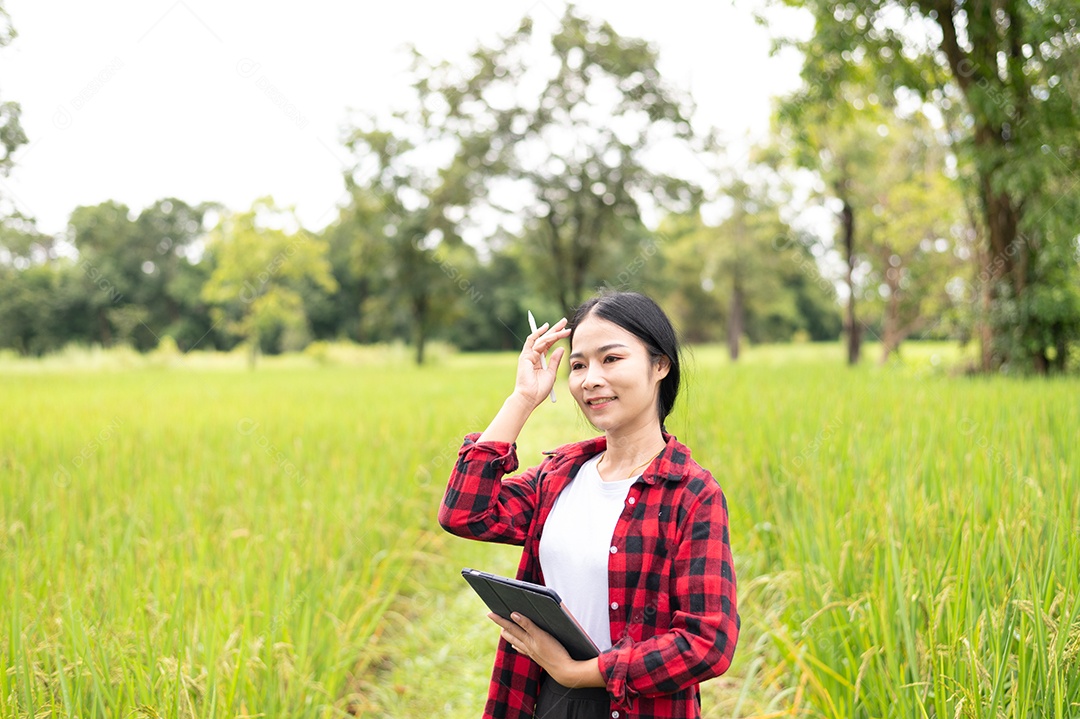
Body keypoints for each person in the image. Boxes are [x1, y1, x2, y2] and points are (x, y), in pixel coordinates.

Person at [438, 291, 739, 719]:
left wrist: (581, 672)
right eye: (579, 365)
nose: (590, 379)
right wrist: (522, 399)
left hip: (640, 706)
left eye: (611, 359)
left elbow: (708, 642)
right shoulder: (559, 477)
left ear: (660, 365)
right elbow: (466, 512)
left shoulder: (690, 494)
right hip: (539, 698)